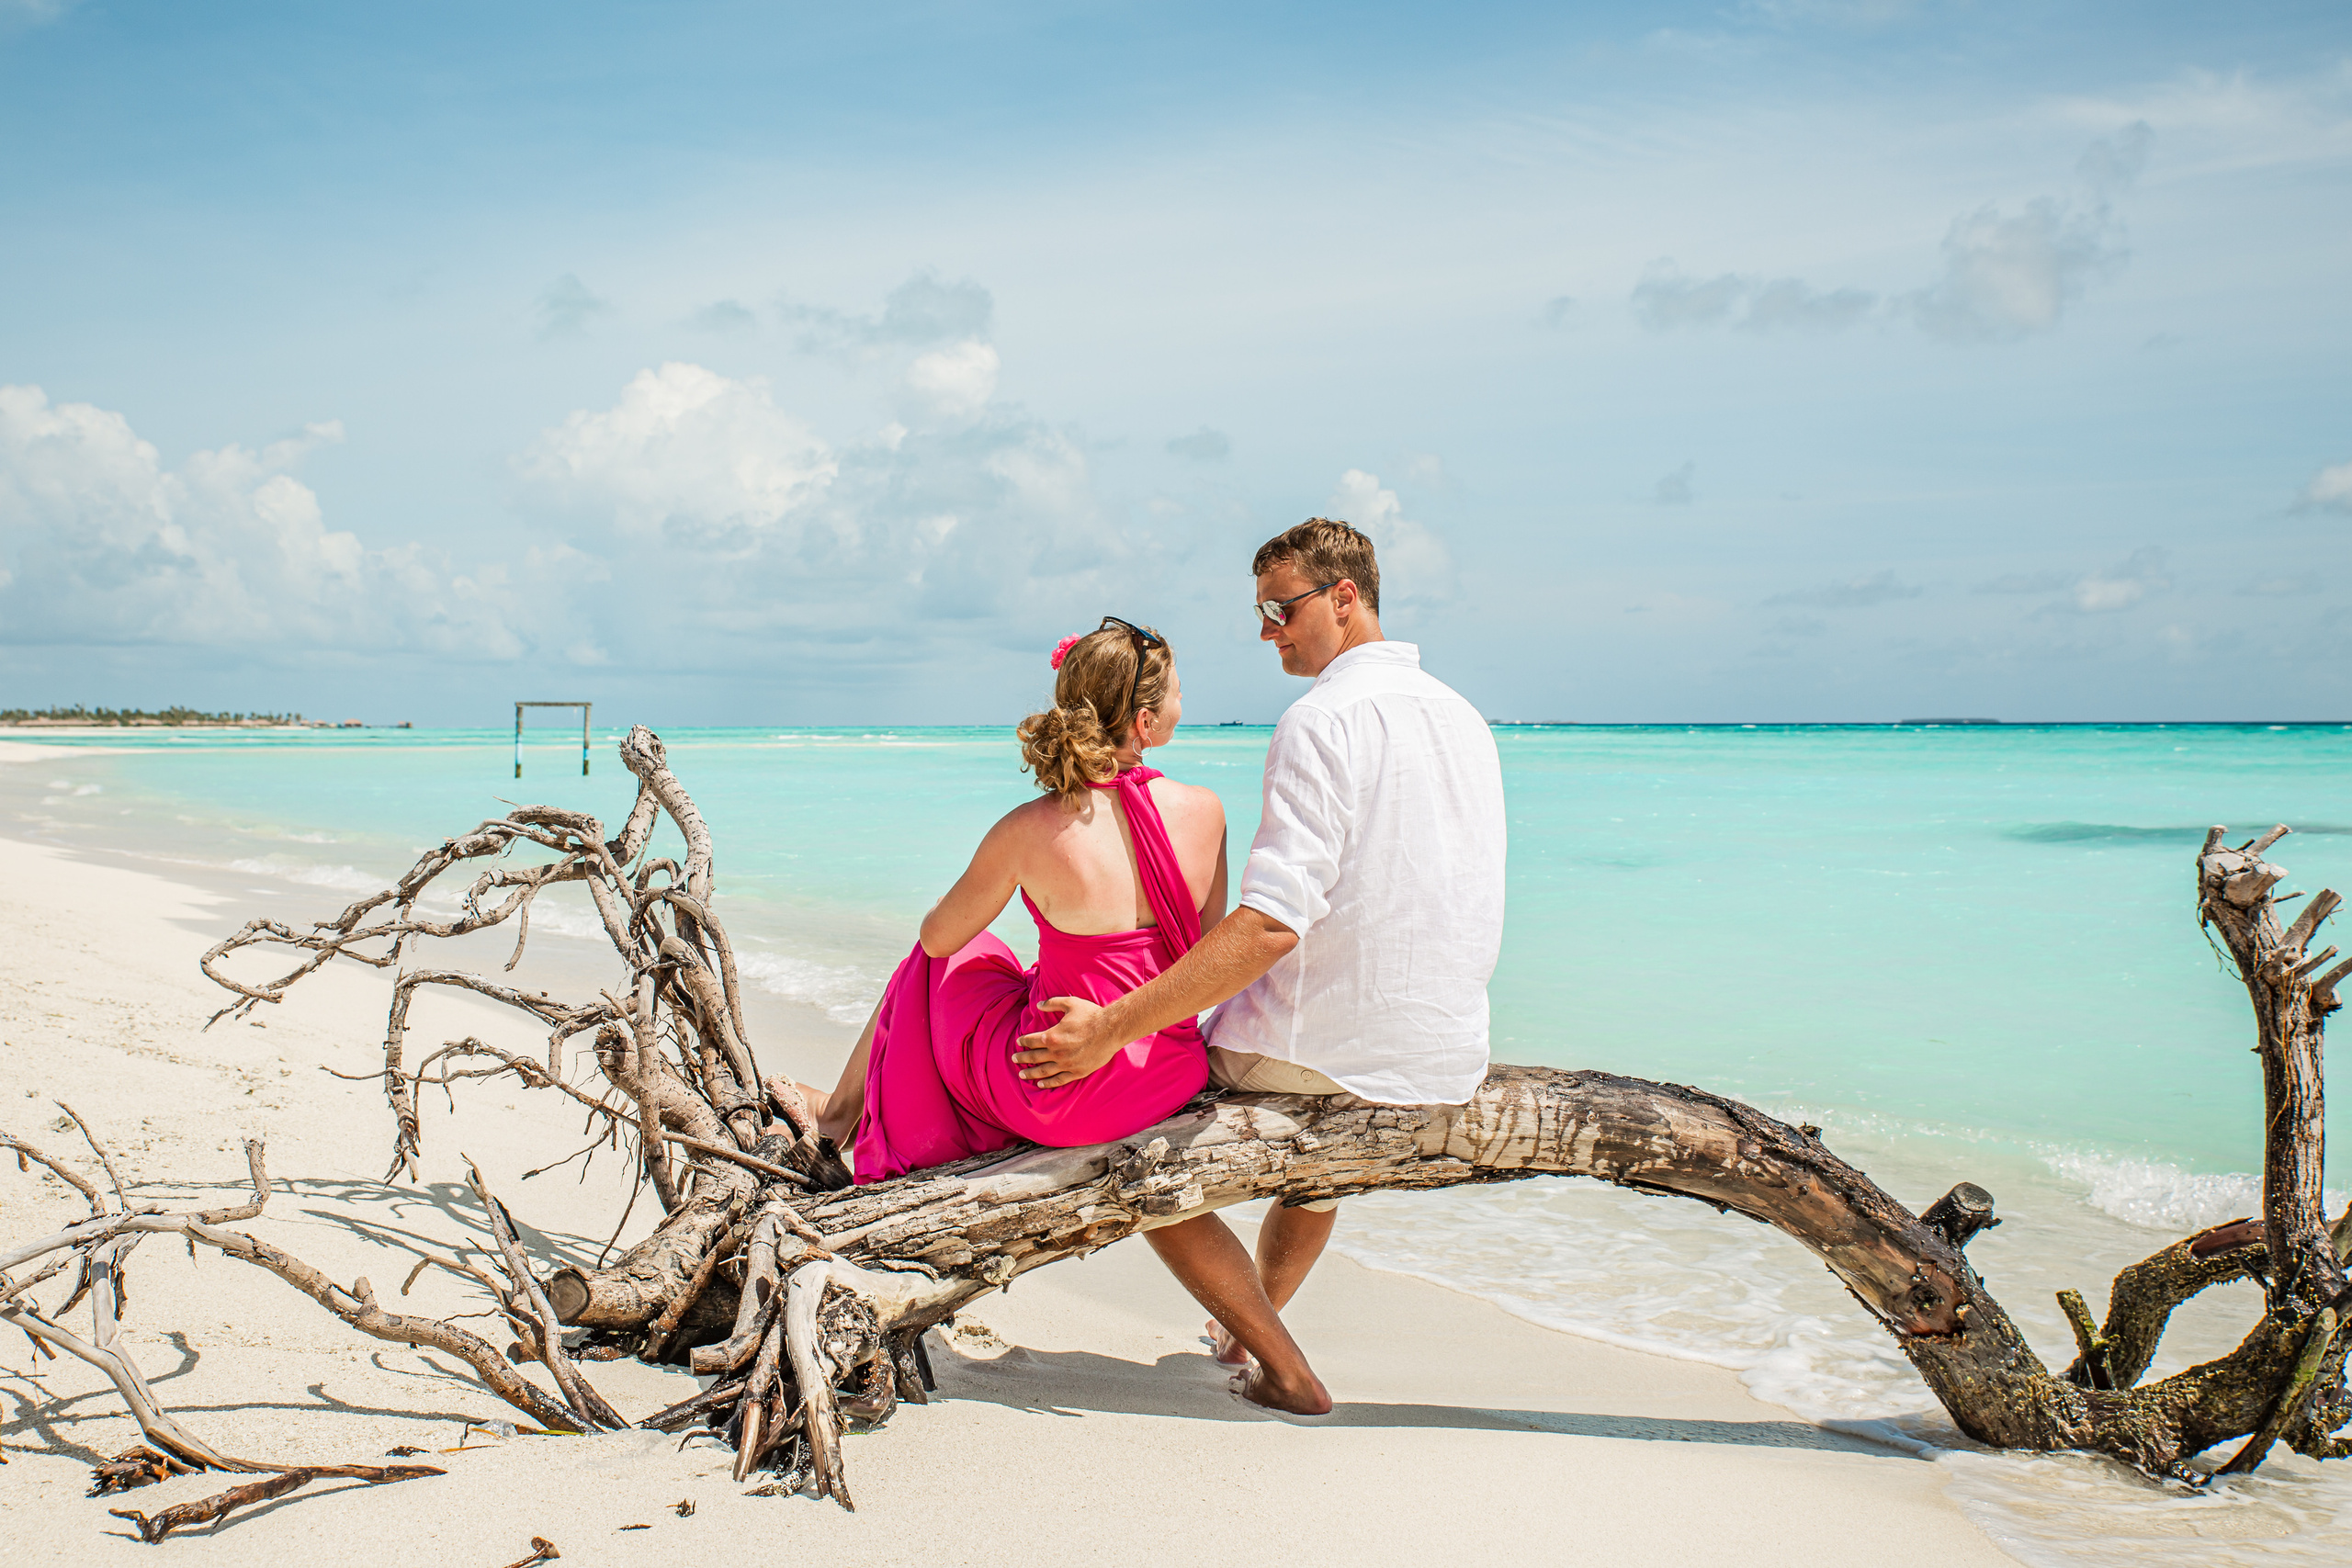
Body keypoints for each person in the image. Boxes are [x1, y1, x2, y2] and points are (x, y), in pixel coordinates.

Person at [1013, 519, 1507, 1416]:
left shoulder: (1321, 719)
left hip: (1324, 1049)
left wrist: (1113, 1027)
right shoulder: (1462, 716)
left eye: (1282, 609)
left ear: (1345, 599)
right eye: (1262, 613)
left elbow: (1274, 925)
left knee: (1128, 1119)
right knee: (1309, 1164)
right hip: (1440, 1054)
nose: (1267, 630)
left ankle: (1281, 1363)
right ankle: (1248, 1325)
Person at [801, 617, 1227, 1188]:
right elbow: (1203, 953)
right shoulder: (1207, 811)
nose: (1185, 699)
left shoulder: (1031, 829)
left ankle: (835, 1117)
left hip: (1059, 1093)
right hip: (1168, 1076)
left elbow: (937, 938)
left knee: (939, 953)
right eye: (1178, 690)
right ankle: (837, 1114)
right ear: (1144, 724)